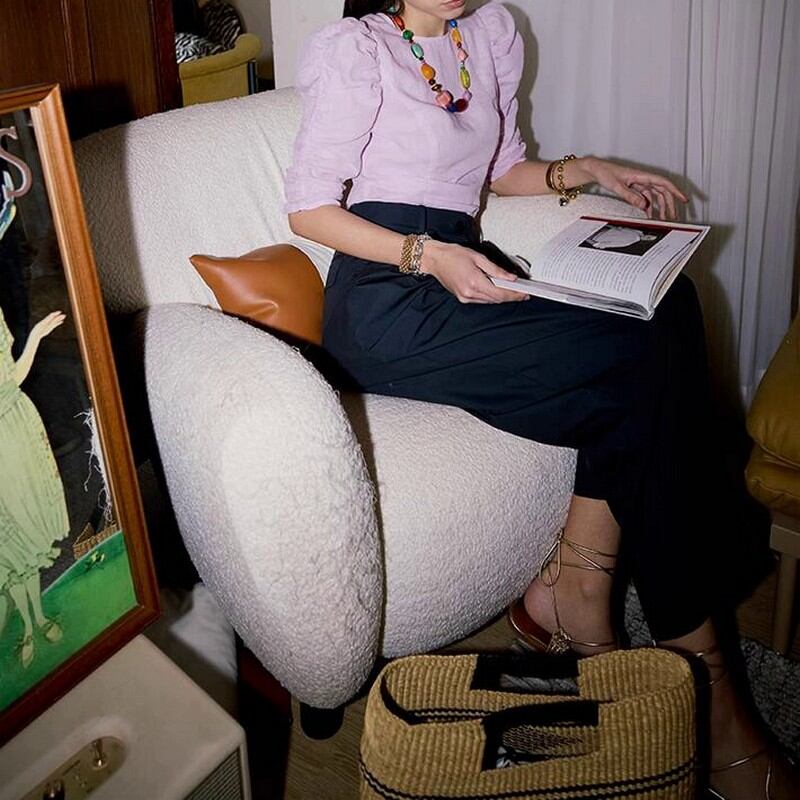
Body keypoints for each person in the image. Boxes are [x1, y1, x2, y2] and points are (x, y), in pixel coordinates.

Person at [283, 2, 797, 796]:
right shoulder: (356, 49)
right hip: (389, 297)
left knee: (669, 305)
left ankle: (574, 590)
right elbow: (309, 210)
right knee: (637, 365)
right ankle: (707, 687)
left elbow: (499, 171)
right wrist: (427, 255)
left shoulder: (485, 34)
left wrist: (585, 171)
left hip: (465, 264)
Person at [0, 308, 68, 669]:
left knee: (27, 530)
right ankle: (28, 626)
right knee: (8, 544)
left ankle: (38, 618)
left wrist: (36, 337)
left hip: (15, 431)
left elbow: (11, 378)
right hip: (5, 433)